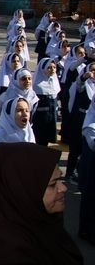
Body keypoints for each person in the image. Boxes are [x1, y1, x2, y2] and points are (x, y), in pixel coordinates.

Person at [0, 142, 83, 265]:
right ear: (22, 191)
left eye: (60, 180)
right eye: (53, 184)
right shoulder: (5, 252)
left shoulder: (38, 220)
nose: (63, 188)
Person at [32, 58, 61, 146]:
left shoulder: (55, 82)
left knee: (47, 142)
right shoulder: (37, 85)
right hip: (40, 119)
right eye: (49, 67)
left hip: (51, 117)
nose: (52, 70)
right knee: (39, 141)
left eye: (54, 67)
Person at [80, 100, 95, 246]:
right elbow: (92, 143)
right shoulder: (90, 125)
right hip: (91, 169)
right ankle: (87, 231)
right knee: (90, 198)